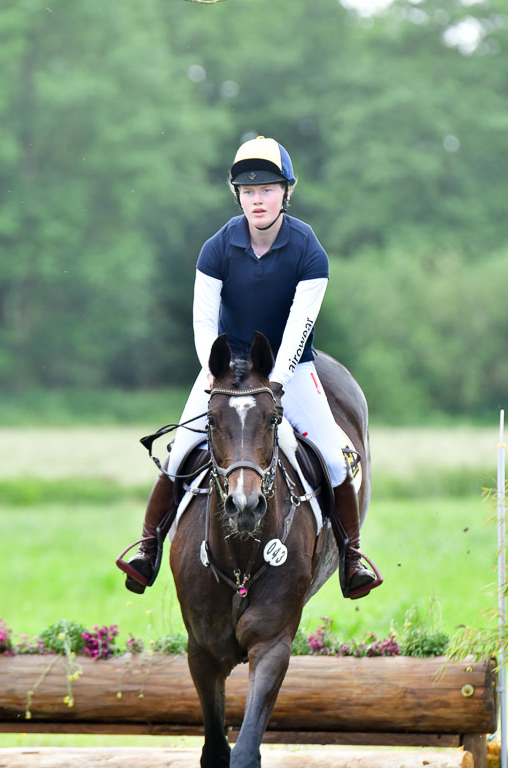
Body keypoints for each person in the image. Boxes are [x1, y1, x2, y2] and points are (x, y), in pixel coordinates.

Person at [118, 135, 379, 600]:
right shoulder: (217, 247)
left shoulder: (308, 249)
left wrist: (276, 382)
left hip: (291, 371)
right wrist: (214, 371)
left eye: (267, 190)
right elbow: (203, 321)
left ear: (286, 193)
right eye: (248, 191)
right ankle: (148, 547)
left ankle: (351, 556)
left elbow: (300, 324)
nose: (257, 199)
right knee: (179, 453)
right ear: (238, 196)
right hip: (226, 371)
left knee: (335, 457)